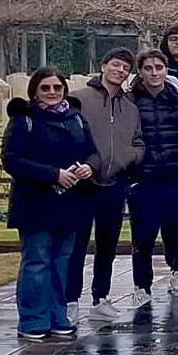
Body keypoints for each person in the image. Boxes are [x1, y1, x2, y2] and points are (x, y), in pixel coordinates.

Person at [4, 67, 97, 340]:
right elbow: (12, 160)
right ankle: (33, 318)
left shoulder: (76, 118)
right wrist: (53, 174)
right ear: (34, 91)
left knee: (62, 261)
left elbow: (92, 151)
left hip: (70, 201)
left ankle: (58, 314)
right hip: (35, 202)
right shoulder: (24, 120)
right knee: (37, 261)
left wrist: (90, 166)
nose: (53, 93)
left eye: (57, 87)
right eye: (46, 88)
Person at [69, 48, 145, 324]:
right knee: (77, 245)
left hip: (115, 183)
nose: (120, 70)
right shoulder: (78, 99)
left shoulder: (131, 107)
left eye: (125, 67)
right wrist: (84, 164)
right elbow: (68, 137)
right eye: (115, 65)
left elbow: (138, 144)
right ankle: (70, 300)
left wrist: (126, 159)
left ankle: (101, 297)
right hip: (83, 183)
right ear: (103, 66)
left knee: (107, 244)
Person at [129, 50, 178, 301]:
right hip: (145, 178)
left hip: (177, 174)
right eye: (148, 68)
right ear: (140, 71)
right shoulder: (130, 101)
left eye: (159, 67)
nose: (154, 73)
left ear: (166, 70)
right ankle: (142, 286)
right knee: (143, 235)